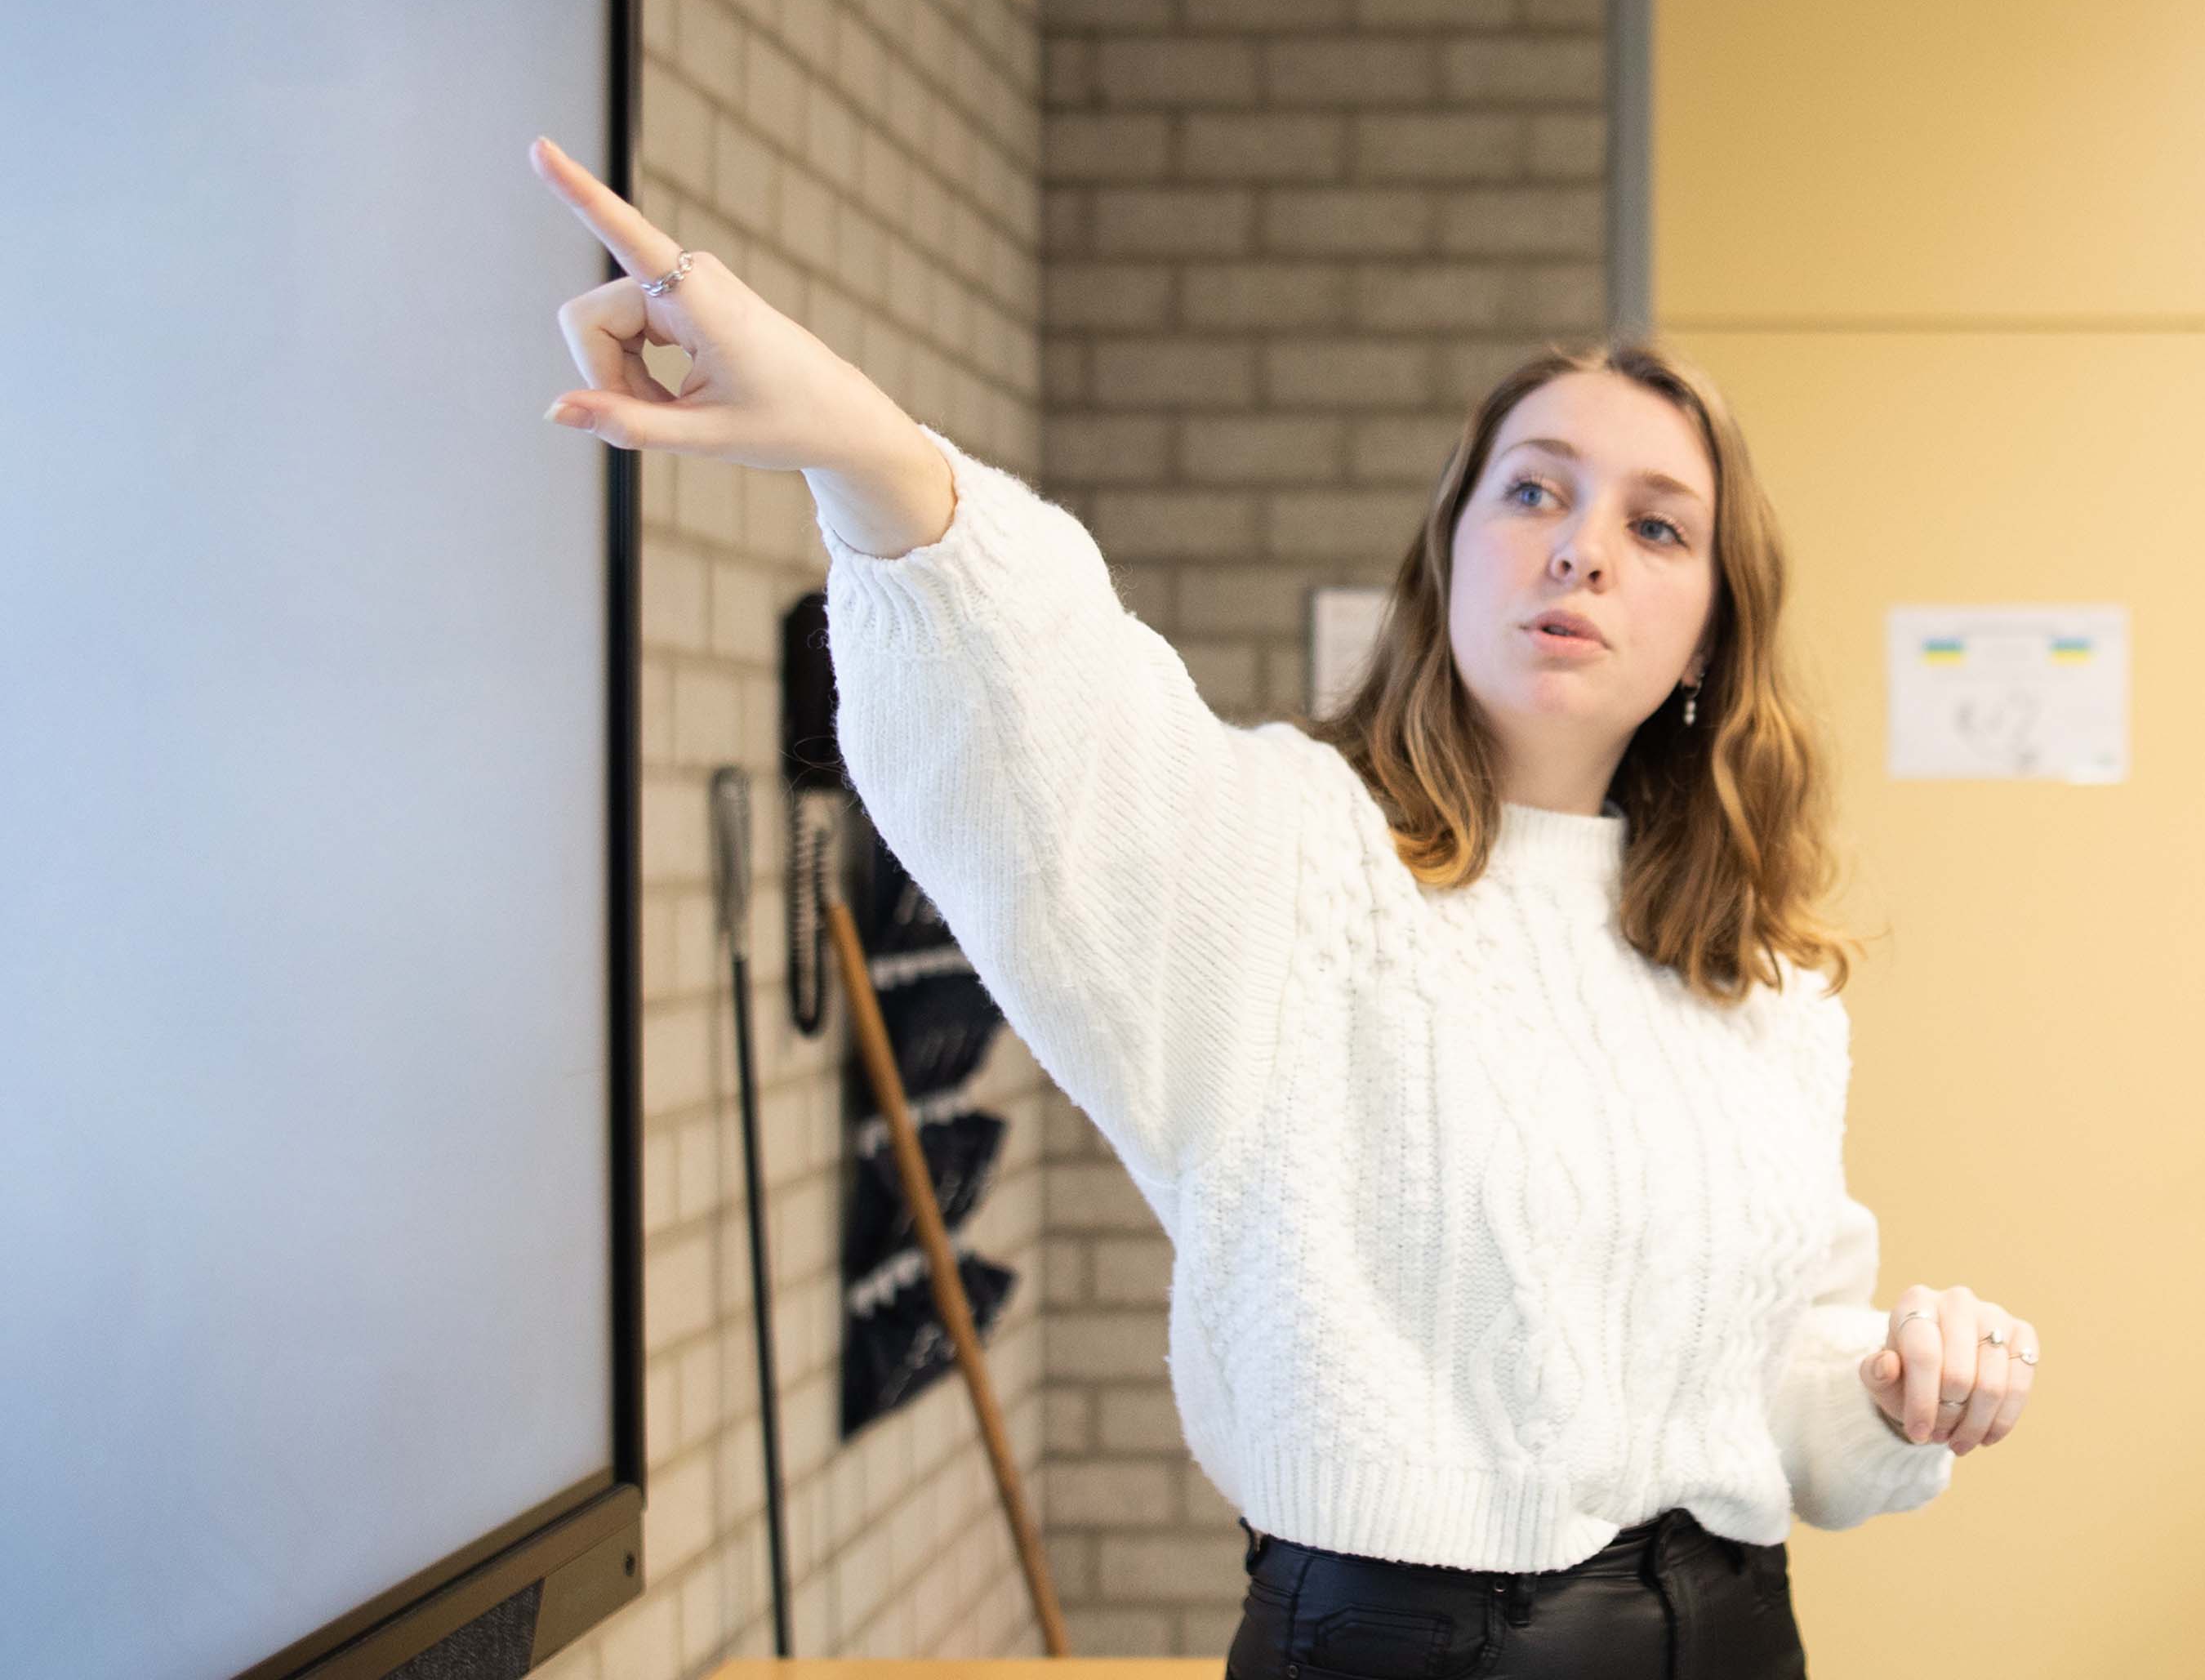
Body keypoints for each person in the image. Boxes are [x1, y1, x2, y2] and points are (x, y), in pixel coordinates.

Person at [529, 134, 2039, 1678]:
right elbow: (1042, 717)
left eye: (1657, 525)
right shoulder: (1290, 860)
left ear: (1711, 632)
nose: (1583, 544)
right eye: (1534, 492)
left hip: (1729, 1637)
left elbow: (1772, 1392)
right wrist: (858, 445)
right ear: (1449, 557)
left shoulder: (1763, 985)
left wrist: (1895, 1385)